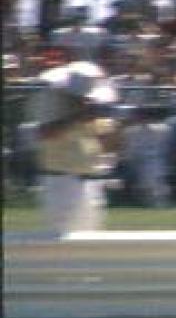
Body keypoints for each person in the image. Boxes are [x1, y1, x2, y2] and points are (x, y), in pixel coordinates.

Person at [29, 60, 118, 234]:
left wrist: (111, 122)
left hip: (91, 179)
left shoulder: (95, 108)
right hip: (61, 180)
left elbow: (109, 143)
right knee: (60, 235)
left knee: (91, 236)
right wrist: (76, 117)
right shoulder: (52, 102)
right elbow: (45, 134)